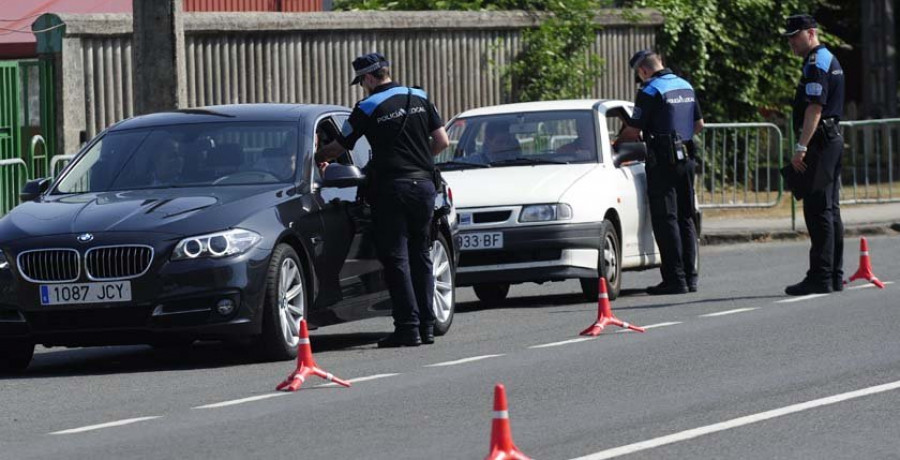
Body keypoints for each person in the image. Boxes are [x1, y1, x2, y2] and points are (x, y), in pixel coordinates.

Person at [315, 52, 450, 347]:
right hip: (425, 185)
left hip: (393, 188)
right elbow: (442, 141)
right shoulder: (419, 96)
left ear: (368, 77)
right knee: (421, 254)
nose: (362, 86)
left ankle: (408, 327)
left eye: (361, 80)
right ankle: (428, 326)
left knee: (397, 258)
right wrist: (420, 160)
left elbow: (340, 145)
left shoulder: (367, 106)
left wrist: (319, 157)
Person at [618, 50, 704, 295]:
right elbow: (699, 125)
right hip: (686, 157)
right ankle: (690, 277)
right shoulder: (685, 85)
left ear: (643, 71)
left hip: (663, 161)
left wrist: (616, 144)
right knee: (686, 217)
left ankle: (675, 279)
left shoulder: (649, 91)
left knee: (666, 219)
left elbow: (633, 131)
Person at [783, 14, 845, 295]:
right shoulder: (827, 58)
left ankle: (821, 275)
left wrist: (801, 146)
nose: (792, 42)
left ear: (811, 33)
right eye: (789, 38)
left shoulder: (815, 63)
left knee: (819, 209)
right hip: (830, 138)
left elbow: (814, 109)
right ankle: (833, 275)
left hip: (820, 142)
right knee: (830, 210)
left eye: (795, 36)